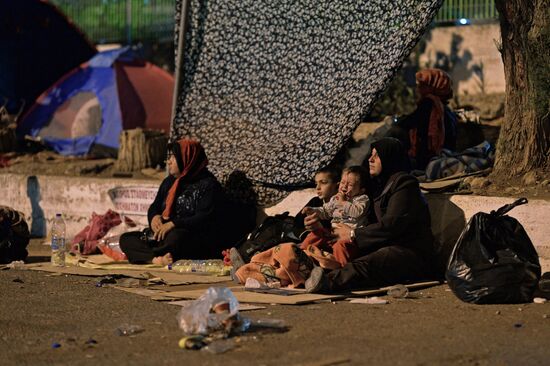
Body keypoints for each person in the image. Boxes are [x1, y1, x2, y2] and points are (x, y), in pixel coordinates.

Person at [304, 137, 437, 293]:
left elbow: (391, 225)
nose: (370, 159)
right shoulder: (379, 186)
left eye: (377, 155)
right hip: (382, 243)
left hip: (409, 251)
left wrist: (352, 233)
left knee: (364, 265)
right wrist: (322, 223)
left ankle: (327, 282)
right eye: (371, 154)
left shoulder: (405, 184)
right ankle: (304, 273)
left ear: (389, 158)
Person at [119, 139, 224, 265]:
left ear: (187, 158)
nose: (168, 162)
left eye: (173, 158)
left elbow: (203, 218)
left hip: (190, 237)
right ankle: (155, 259)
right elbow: (155, 206)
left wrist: (173, 224)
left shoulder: (209, 185)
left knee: (177, 238)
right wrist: (154, 218)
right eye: (169, 157)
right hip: (164, 235)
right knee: (125, 239)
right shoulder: (169, 182)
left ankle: (147, 254)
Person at [387, 68, 457, 170]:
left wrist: (395, 121)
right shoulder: (443, 107)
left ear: (432, 86)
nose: (418, 88)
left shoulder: (430, 103)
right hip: (443, 154)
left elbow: (409, 121)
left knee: (394, 133)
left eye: (422, 85)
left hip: (428, 159)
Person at [293, 166, 341, 235]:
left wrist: (321, 229)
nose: (317, 187)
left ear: (337, 185)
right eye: (316, 183)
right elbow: (296, 225)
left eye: (323, 182)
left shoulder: (344, 206)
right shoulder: (315, 202)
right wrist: (306, 228)